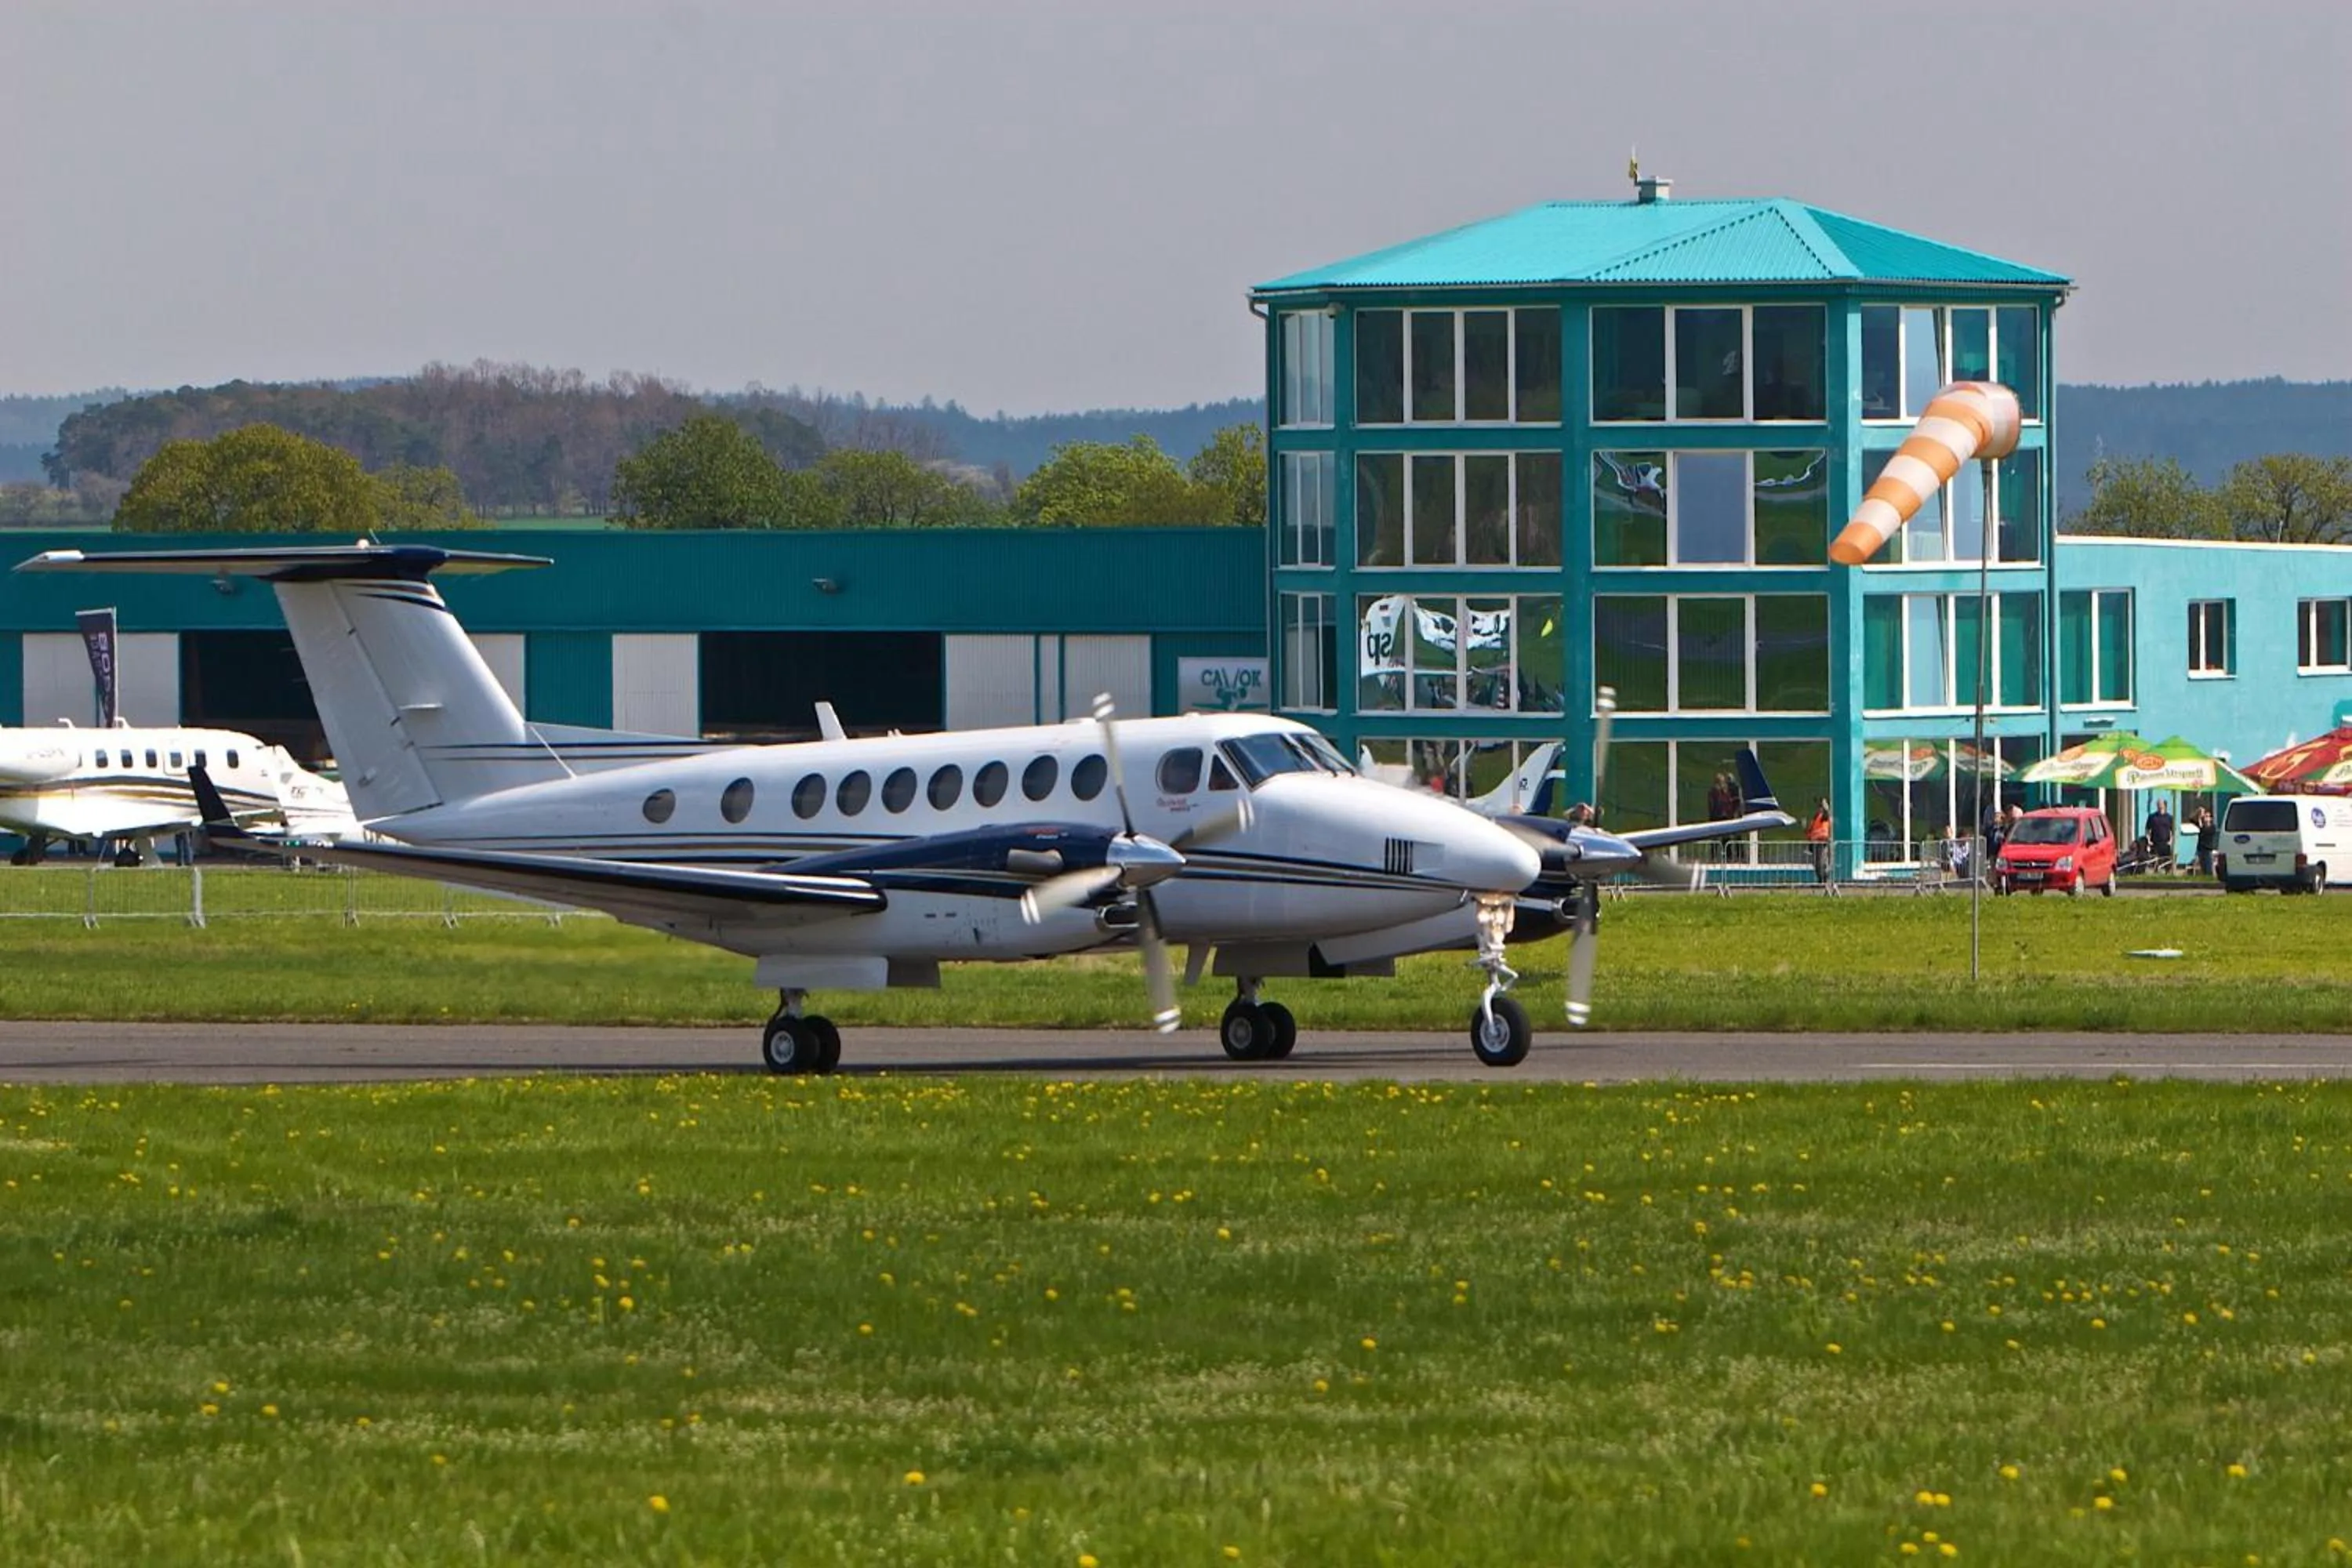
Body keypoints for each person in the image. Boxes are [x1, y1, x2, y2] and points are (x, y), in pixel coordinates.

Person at [2144, 799, 2176, 873]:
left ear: (2165, 805)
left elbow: (2173, 831)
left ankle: (2167, 873)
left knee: (2167, 860)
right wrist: (2148, 840)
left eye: (2161, 804)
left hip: (2166, 843)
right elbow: (2147, 829)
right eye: (2158, 804)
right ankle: (2155, 872)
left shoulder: (2169, 817)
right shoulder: (2152, 817)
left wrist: (2171, 841)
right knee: (2155, 860)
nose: (2159, 806)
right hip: (2155, 842)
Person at [1806, 797, 1833, 886]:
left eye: (1820, 807)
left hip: (1822, 842)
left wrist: (1825, 806)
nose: (1819, 809)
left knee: (1822, 862)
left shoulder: (1823, 816)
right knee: (1817, 863)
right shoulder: (1816, 818)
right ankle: (1821, 880)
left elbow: (1827, 813)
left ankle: (1824, 879)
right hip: (1815, 843)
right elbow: (1810, 831)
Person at [2190, 804, 2216, 876]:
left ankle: (2210, 880)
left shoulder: (2212, 827)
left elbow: (2204, 831)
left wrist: (2200, 820)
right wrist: (2198, 813)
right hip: (2200, 849)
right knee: (2203, 868)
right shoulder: (2200, 824)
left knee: (2209, 868)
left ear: (2211, 818)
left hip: (2208, 850)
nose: (2206, 818)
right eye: (2205, 816)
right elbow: (2191, 819)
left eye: (2208, 816)